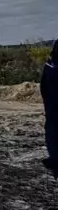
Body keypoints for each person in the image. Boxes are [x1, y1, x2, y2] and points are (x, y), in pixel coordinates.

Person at [42, 39, 58, 176]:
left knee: (52, 136)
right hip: (53, 110)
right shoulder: (50, 66)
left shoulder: (49, 66)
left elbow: (43, 88)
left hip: (52, 110)